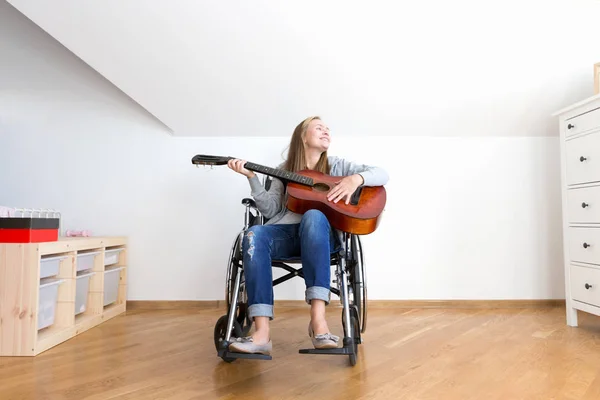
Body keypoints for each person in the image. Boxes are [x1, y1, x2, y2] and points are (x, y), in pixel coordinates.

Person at [226, 116, 389, 355]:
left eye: (328, 129)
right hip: (286, 236)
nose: (326, 132)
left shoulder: (337, 167)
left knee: (313, 215)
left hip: (322, 238)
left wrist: (356, 179)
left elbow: (381, 173)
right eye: (319, 128)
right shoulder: (283, 171)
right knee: (254, 234)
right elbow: (270, 210)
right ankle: (261, 333)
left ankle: (318, 322)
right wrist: (252, 179)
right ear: (303, 137)